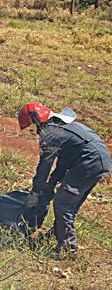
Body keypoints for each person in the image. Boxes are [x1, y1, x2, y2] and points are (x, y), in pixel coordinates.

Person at [19, 103, 111, 257]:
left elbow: (44, 166)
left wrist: (35, 192)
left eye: (34, 125)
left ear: (37, 119)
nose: (36, 130)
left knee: (63, 203)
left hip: (89, 161)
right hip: (99, 160)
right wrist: (51, 185)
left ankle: (68, 250)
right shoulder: (62, 127)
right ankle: (52, 237)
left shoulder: (51, 133)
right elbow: (63, 163)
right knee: (70, 205)